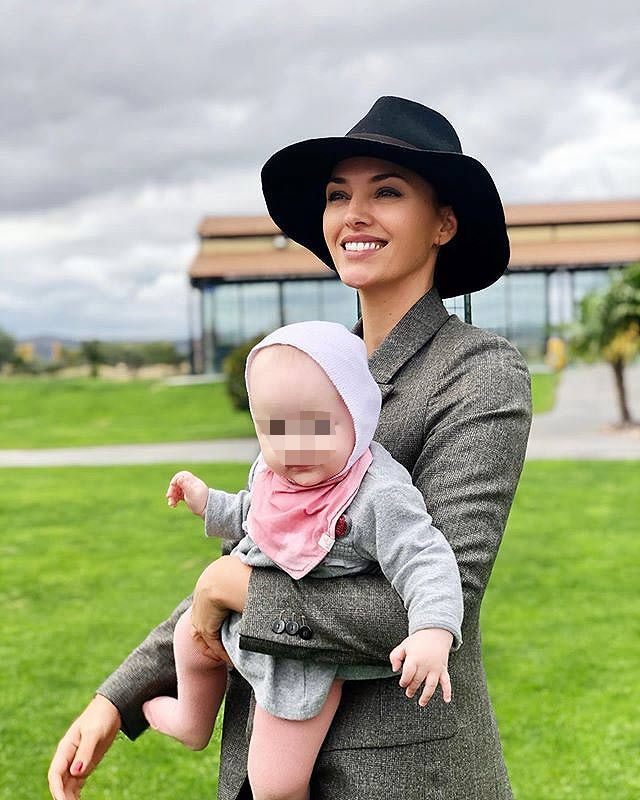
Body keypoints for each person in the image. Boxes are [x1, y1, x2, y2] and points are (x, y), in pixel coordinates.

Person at [48, 96, 532, 800]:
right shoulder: (311, 367)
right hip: (261, 757)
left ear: (444, 223)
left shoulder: (478, 374)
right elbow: (258, 550)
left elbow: (432, 601)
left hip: (399, 776)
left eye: (387, 192)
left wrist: (228, 589)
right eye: (339, 195)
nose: (353, 214)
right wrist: (113, 700)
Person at [142, 321, 463, 799]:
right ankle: (193, 720)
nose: (294, 447)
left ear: (357, 413)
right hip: (239, 624)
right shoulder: (277, 472)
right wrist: (209, 502)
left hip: (299, 657)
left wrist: (432, 630)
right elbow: (257, 514)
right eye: (275, 429)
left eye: (315, 426)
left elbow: (425, 558)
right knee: (190, 639)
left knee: (274, 784)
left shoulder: (376, 494)